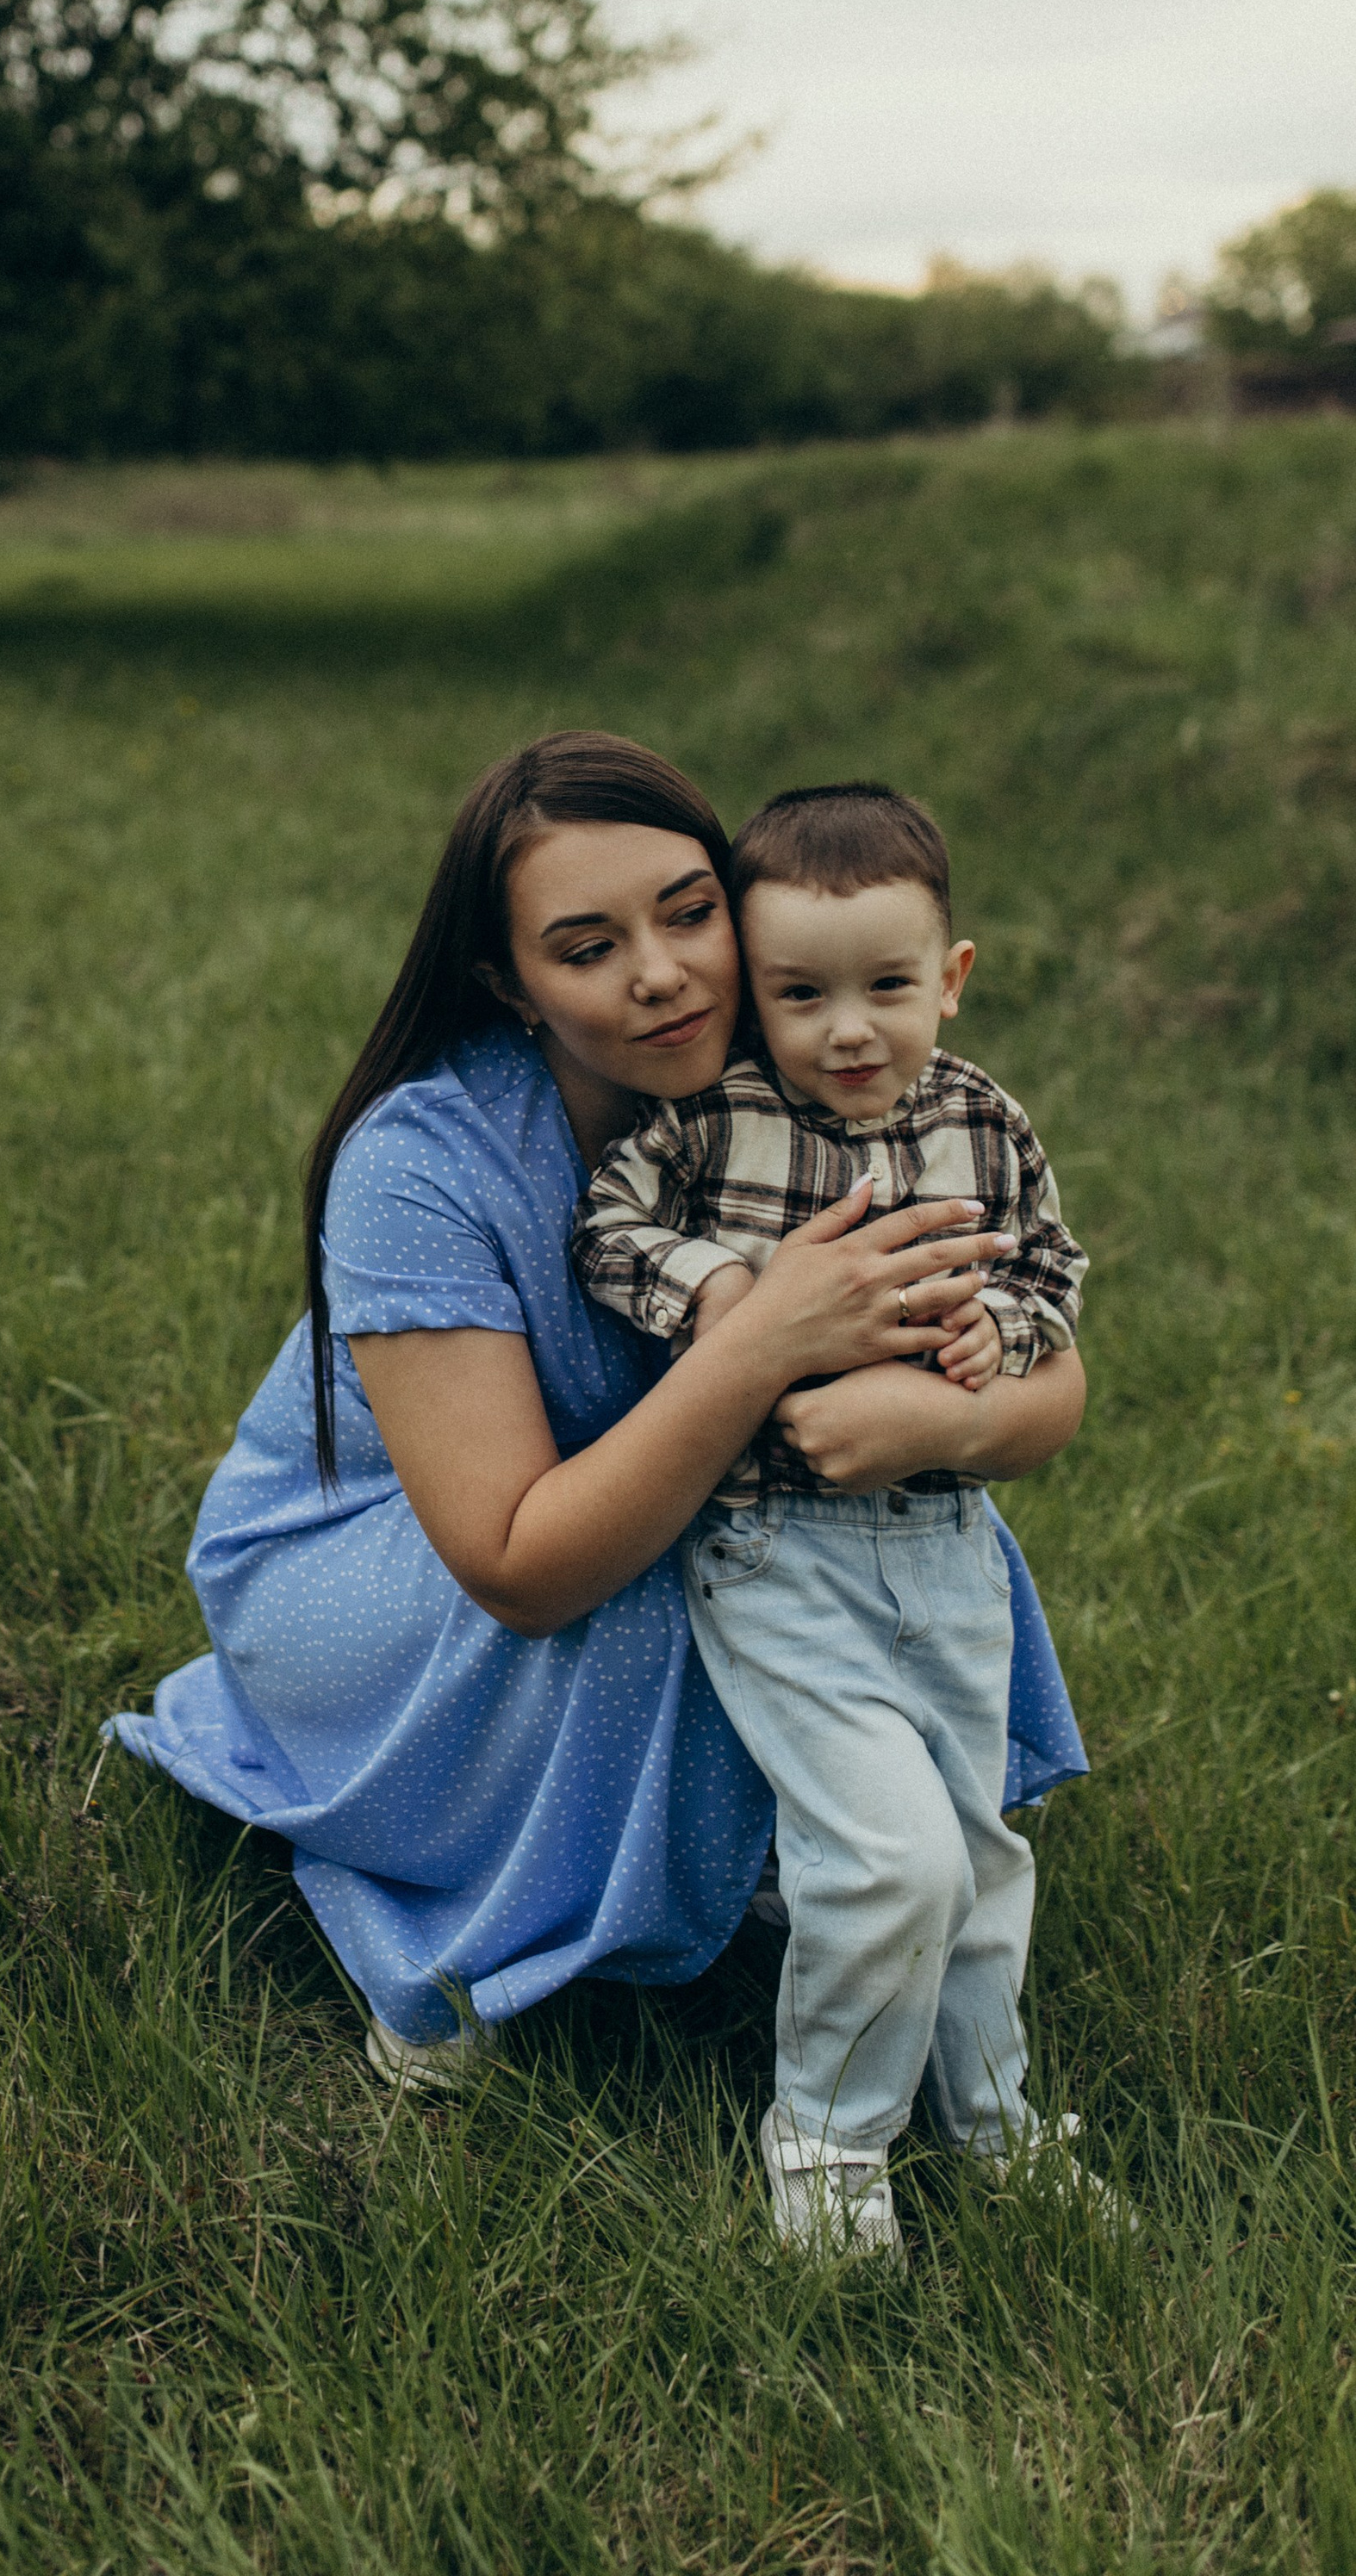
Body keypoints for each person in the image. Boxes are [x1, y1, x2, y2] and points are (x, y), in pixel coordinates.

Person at [106, 731, 1087, 2116]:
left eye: (691, 915)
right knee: (687, 1575)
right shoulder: (420, 1161)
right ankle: (459, 1912)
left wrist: (938, 1423)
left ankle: (768, 1844)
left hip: (698, 1502)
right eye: (587, 948)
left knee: (896, 1531)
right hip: (395, 1562)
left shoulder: (824, 1063)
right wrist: (762, 1345)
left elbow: (1053, 1383)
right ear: (511, 983)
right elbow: (520, 1564)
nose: (662, 973)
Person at [574, 783, 1092, 2261]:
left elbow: (1055, 1270)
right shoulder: (714, 1119)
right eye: (800, 994)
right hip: (775, 1551)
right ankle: (828, 2147)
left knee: (982, 1857)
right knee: (889, 1856)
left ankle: (997, 2128)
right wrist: (720, 1296)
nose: (847, 1029)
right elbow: (603, 1228)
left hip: (949, 1551)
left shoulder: (983, 1121)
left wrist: (1003, 1322)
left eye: (886, 987)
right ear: (754, 982)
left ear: (954, 976)